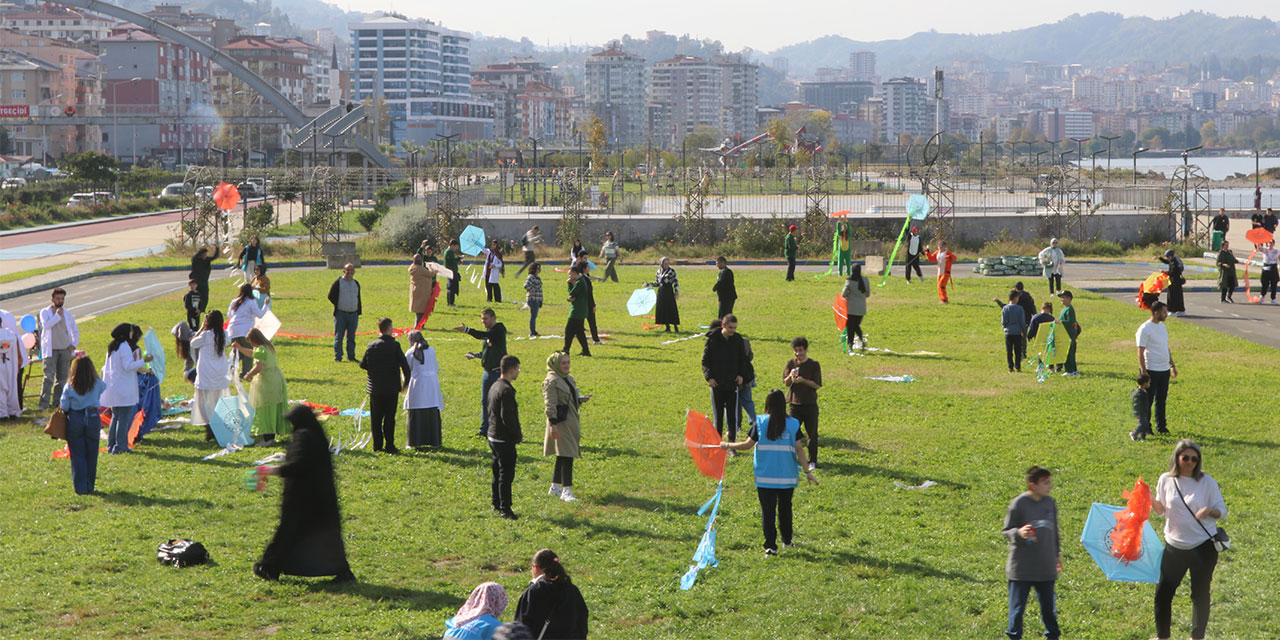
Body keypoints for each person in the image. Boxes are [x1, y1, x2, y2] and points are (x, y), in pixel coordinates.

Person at [253, 405, 356, 584]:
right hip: (321, 496)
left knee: (287, 532)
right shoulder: (316, 434)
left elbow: (297, 466)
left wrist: (270, 470)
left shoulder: (303, 437)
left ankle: (269, 568)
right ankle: (343, 572)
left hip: (302, 497)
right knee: (327, 537)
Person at [721, 389, 818, 556]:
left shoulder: (759, 422)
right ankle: (787, 540)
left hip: (765, 477)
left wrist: (727, 445)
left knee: (768, 512)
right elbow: (800, 450)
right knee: (785, 509)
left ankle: (771, 547)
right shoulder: (793, 424)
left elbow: (746, 445)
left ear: (767, 404)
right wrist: (807, 471)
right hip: (787, 476)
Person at [1150, 440, 1226, 640]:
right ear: (1177, 458)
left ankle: (1197, 637)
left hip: (1202, 547)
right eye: (1186, 458)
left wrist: (1209, 511)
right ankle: (1162, 637)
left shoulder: (1207, 482)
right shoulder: (1166, 480)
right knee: (1163, 594)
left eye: (1195, 459)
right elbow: (1160, 510)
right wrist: (1148, 498)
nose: (1190, 462)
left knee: (1200, 594)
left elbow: (1222, 511)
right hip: (1174, 547)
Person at [1001, 466, 1061, 640]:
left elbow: (1054, 531)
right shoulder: (1019, 503)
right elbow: (1007, 531)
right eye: (1045, 483)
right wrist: (1019, 533)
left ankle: (1053, 636)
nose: (1049, 486)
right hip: (1022, 569)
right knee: (1017, 609)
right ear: (1032, 485)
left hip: (1045, 567)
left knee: (1049, 609)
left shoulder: (1049, 502)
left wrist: (1057, 555)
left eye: (1050, 482)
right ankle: (1014, 636)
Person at [543, 351, 590, 503]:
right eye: (563, 363)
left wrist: (579, 400)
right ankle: (566, 490)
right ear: (556, 364)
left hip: (571, 420)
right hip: (560, 422)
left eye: (568, 362)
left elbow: (569, 397)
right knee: (567, 454)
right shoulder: (551, 381)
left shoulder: (568, 378)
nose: (566, 365)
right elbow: (550, 404)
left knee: (562, 454)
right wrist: (553, 425)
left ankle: (555, 487)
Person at [359, 318, 411, 454]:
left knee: (376, 419)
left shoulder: (371, 345)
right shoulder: (395, 346)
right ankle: (390, 445)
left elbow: (363, 364)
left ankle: (377, 445)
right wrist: (405, 385)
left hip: (375, 388)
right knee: (389, 418)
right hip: (391, 388)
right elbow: (405, 367)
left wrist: (374, 371)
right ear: (389, 329)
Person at [513, 549, 589, 639]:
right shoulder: (573, 591)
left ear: (535, 568)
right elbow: (582, 623)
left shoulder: (534, 592)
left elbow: (521, 627)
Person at [456, 309, 508, 438]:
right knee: (485, 402)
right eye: (482, 319)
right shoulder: (489, 333)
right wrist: (475, 355)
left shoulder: (499, 330)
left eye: (485, 319)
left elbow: (481, 335)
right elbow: (487, 352)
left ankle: (500, 429)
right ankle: (484, 430)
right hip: (487, 373)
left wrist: (467, 330)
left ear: (493, 318)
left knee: (497, 402)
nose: (483, 321)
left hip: (497, 373)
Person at [100, 322, 150, 454]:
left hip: (115, 387)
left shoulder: (112, 347)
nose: (132, 334)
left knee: (116, 417)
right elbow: (128, 366)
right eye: (131, 331)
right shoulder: (124, 347)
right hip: (123, 388)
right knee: (123, 418)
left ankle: (112, 445)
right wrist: (144, 361)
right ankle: (120, 446)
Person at [59, 354, 105, 494]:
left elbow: (64, 405)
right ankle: (90, 486)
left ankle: (80, 487)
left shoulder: (70, 386)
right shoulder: (98, 384)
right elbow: (104, 387)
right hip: (92, 416)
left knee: (77, 454)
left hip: (75, 417)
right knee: (92, 453)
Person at [234, 328, 288, 446]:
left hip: (267, 381)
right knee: (273, 408)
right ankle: (272, 435)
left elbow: (259, 366)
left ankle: (267, 438)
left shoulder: (260, 349)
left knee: (265, 409)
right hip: (276, 378)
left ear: (254, 340)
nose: (251, 344)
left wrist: (248, 374)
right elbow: (253, 353)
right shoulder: (267, 347)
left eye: (250, 342)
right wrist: (240, 348)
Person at [703, 314, 749, 443]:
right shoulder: (712, 339)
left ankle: (731, 444)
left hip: (732, 383)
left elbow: (742, 359)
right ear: (723, 325)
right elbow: (705, 361)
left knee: (732, 416)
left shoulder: (737, 339)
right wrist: (709, 378)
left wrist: (741, 375)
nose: (732, 330)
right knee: (718, 416)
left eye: (734, 328)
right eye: (730, 328)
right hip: (716, 383)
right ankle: (718, 444)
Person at [487, 355, 522, 520]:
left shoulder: (495, 385)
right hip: (503, 438)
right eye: (518, 369)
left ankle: (496, 502)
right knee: (506, 476)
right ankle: (505, 509)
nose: (519, 372)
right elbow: (507, 417)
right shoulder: (506, 390)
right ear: (512, 369)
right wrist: (516, 435)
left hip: (493, 435)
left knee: (497, 472)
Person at [783, 336, 822, 471]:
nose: (798, 353)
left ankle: (812, 461)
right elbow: (785, 383)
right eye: (796, 351)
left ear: (806, 350)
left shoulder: (814, 365)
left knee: (812, 434)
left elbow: (817, 385)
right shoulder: (791, 364)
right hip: (794, 405)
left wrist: (803, 381)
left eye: (800, 350)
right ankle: (791, 459)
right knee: (792, 433)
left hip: (810, 404)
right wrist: (790, 376)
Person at [190, 310, 230, 442]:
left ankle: (210, 427)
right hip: (220, 372)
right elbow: (228, 341)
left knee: (204, 402)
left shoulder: (205, 335)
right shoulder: (224, 334)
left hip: (206, 372)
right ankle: (217, 425)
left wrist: (202, 327)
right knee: (218, 400)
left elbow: (192, 343)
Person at [1137, 301, 1175, 435]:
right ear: (1156, 312)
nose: (1166, 314)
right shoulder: (1145, 329)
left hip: (1164, 369)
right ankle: (1146, 427)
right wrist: (1144, 372)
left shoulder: (1162, 327)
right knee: (1148, 401)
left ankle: (1162, 426)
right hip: (1151, 369)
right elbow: (1140, 352)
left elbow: (1165, 347)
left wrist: (1172, 365)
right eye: (1164, 312)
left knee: (1161, 400)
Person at [38, 288, 79, 410]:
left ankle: (58, 402)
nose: (60, 301)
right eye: (58, 299)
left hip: (64, 349)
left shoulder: (67, 314)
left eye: (62, 299)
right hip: (50, 350)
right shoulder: (45, 312)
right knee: (48, 378)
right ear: (52, 299)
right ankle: (43, 404)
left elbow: (74, 330)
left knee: (62, 378)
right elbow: (46, 325)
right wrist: (57, 315)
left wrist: (74, 344)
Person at [403, 330, 443, 449]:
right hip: (431, 384)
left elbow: (406, 371)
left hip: (417, 384)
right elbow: (435, 367)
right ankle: (434, 441)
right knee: (431, 411)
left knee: (417, 413)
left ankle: (415, 442)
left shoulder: (410, 352)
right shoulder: (431, 350)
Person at [228, 283, 269, 378]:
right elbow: (260, 314)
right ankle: (245, 373)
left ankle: (230, 371)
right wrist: (265, 305)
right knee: (248, 352)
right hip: (245, 330)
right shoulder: (251, 302)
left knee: (235, 353)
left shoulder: (234, 301)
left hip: (233, 330)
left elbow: (229, 315)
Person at [328, 263, 362, 362]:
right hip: (341, 314)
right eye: (348, 270)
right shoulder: (338, 282)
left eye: (352, 270)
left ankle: (351, 356)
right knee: (339, 337)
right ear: (344, 271)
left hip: (353, 314)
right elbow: (331, 296)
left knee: (351, 337)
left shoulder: (356, 283)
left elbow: (358, 298)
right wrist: (339, 305)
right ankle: (338, 357)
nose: (350, 272)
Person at [0, 308, 28, 413]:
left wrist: (19, 361)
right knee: (12, 388)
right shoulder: (10, 334)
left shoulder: (7, 317)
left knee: (5, 389)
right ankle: (14, 411)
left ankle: (5, 412)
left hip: (10, 362)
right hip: (11, 363)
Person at [563, 266, 591, 356]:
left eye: (570, 274)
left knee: (568, 330)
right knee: (579, 332)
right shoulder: (581, 280)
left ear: (574, 273)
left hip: (577, 311)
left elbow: (572, 293)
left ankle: (566, 350)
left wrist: (569, 284)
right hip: (581, 310)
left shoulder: (579, 282)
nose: (569, 276)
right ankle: (586, 351)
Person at [841, 264, 871, 350]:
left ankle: (850, 344)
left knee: (850, 327)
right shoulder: (865, 280)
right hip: (861, 308)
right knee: (856, 325)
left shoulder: (849, 280)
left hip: (851, 308)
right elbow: (867, 294)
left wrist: (849, 294)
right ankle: (861, 339)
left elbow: (843, 294)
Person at [650, 257, 681, 332]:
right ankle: (667, 327)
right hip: (661, 293)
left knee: (671, 309)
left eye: (668, 263)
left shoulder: (671, 271)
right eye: (665, 263)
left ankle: (675, 327)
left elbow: (675, 282)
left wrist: (676, 292)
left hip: (669, 292)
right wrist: (648, 285)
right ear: (661, 264)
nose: (666, 265)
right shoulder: (658, 271)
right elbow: (657, 282)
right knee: (663, 309)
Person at [1001, 290, 1027, 373]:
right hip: (1017, 332)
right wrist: (1023, 330)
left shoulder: (1005, 308)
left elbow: (1003, 321)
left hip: (1008, 332)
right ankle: (1018, 367)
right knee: (1017, 350)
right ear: (1015, 298)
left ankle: (1010, 367)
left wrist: (1005, 327)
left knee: (1009, 351)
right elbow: (1022, 321)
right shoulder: (1020, 309)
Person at [409, 254, 438, 327]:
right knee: (421, 310)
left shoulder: (413, 267)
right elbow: (431, 274)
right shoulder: (420, 269)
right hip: (422, 291)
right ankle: (419, 325)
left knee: (419, 310)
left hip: (416, 290)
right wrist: (431, 268)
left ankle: (418, 325)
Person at [1055, 291, 1080, 376]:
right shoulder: (1065, 309)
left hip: (1068, 334)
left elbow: (1070, 321)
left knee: (1068, 353)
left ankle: (1070, 370)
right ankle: (1074, 370)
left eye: (1063, 297)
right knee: (1069, 352)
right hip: (1065, 334)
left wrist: (1060, 322)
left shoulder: (1069, 309)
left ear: (1069, 299)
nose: (1061, 299)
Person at [189, 245, 217, 313]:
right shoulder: (196, 260)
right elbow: (194, 257)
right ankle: (194, 309)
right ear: (200, 254)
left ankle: (202, 309)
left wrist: (217, 248)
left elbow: (215, 257)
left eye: (206, 254)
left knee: (205, 297)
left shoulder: (207, 260)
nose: (205, 256)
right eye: (204, 254)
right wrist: (202, 249)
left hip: (204, 281)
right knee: (196, 296)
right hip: (196, 282)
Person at [1158, 249, 1186, 316]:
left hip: (1174, 282)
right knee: (1178, 296)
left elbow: (1172, 273)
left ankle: (1173, 311)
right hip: (1177, 281)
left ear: (1170, 256)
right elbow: (1167, 262)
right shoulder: (1174, 260)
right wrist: (1160, 258)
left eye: (1167, 257)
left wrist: (1164, 272)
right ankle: (1181, 310)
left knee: (1172, 296)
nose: (1167, 258)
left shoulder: (1174, 263)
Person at [1130, 373, 1152, 441]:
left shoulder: (1142, 391)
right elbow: (1136, 404)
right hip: (1140, 412)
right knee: (1143, 424)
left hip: (1144, 411)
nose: (1149, 384)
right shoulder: (1139, 394)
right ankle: (1134, 433)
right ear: (1145, 383)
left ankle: (1143, 437)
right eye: (1149, 383)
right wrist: (1137, 413)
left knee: (1145, 424)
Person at [523, 262, 543, 337]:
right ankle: (532, 331)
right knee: (533, 316)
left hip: (538, 299)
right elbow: (526, 285)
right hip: (532, 299)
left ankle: (533, 331)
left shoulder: (537, 277)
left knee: (535, 315)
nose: (539, 270)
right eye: (538, 268)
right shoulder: (530, 277)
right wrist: (531, 290)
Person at [445, 238, 462, 307]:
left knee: (451, 287)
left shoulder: (449, 252)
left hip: (450, 271)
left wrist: (458, 261)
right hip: (451, 272)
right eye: (456, 247)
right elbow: (453, 261)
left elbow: (452, 261)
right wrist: (459, 258)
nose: (456, 248)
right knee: (451, 287)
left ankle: (450, 302)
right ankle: (450, 303)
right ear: (452, 245)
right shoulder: (449, 252)